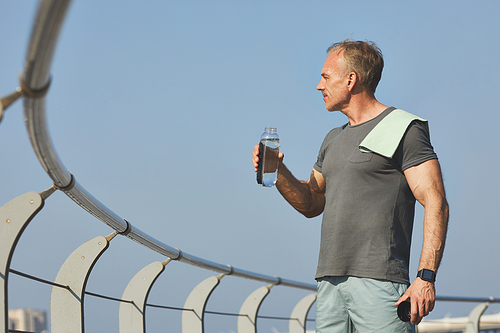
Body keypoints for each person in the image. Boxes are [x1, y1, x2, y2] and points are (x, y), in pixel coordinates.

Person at [252, 40, 449, 332]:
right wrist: (278, 171)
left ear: (351, 79)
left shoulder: (404, 128)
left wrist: (426, 277)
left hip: (380, 284)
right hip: (329, 285)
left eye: (326, 77)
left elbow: (436, 202)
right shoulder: (333, 138)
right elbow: (311, 202)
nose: (319, 86)